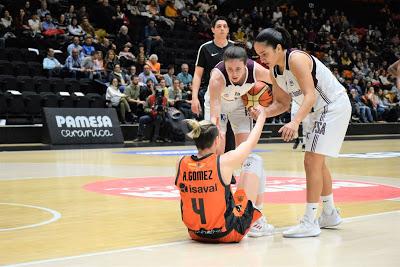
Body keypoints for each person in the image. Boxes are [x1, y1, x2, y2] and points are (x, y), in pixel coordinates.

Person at [253, 27, 351, 238]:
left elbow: (310, 96)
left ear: (279, 48)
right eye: (258, 55)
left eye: (264, 54)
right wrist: (262, 112)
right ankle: (330, 213)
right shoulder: (274, 71)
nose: (261, 59)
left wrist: (294, 122)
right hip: (316, 111)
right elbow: (282, 103)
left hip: (332, 106)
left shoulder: (296, 59)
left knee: (310, 161)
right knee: (318, 162)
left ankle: (310, 221)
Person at [175, 111, 274, 243]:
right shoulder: (223, 162)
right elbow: (250, 142)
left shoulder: (181, 162)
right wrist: (262, 118)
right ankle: (257, 222)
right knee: (255, 160)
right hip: (228, 232)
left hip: (196, 233)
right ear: (216, 140)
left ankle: (256, 220)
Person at [207, 46, 272, 158]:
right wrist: (215, 126)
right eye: (229, 69)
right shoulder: (217, 77)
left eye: (238, 69)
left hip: (239, 103)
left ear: (245, 64)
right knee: (217, 150)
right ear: (224, 65)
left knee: (244, 151)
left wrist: (260, 106)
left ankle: (242, 174)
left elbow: (278, 81)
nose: (234, 74)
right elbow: (215, 105)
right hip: (219, 104)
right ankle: (222, 174)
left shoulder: (255, 70)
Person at [191, 16, 236, 152]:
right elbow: (198, 75)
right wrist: (194, 98)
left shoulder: (235, 47)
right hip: (213, 95)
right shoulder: (205, 48)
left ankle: (229, 171)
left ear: (228, 29)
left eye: (224, 26)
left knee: (231, 133)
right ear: (213, 30)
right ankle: (213, 166)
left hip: (233, 95)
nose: (222, 28)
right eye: (218, 26)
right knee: (213, 132)